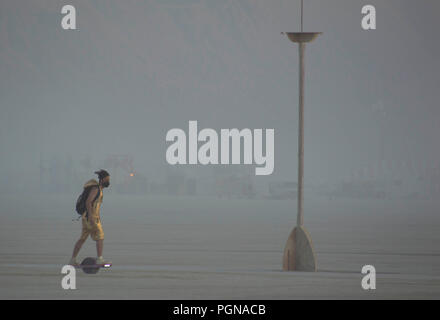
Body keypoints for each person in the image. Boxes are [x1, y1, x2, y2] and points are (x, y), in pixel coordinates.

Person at [69, 169, 111, 266]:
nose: (108, 181)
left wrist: (97, 216)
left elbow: (95, 205)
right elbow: (88, 202)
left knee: (82, 239)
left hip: (87, 218)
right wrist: (92, 217)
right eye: (107, 179)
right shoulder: (96, 189)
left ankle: (72, 260)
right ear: (102, 180)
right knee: (100, 237)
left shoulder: (99, 190)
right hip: (90, 218)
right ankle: (100, 259)